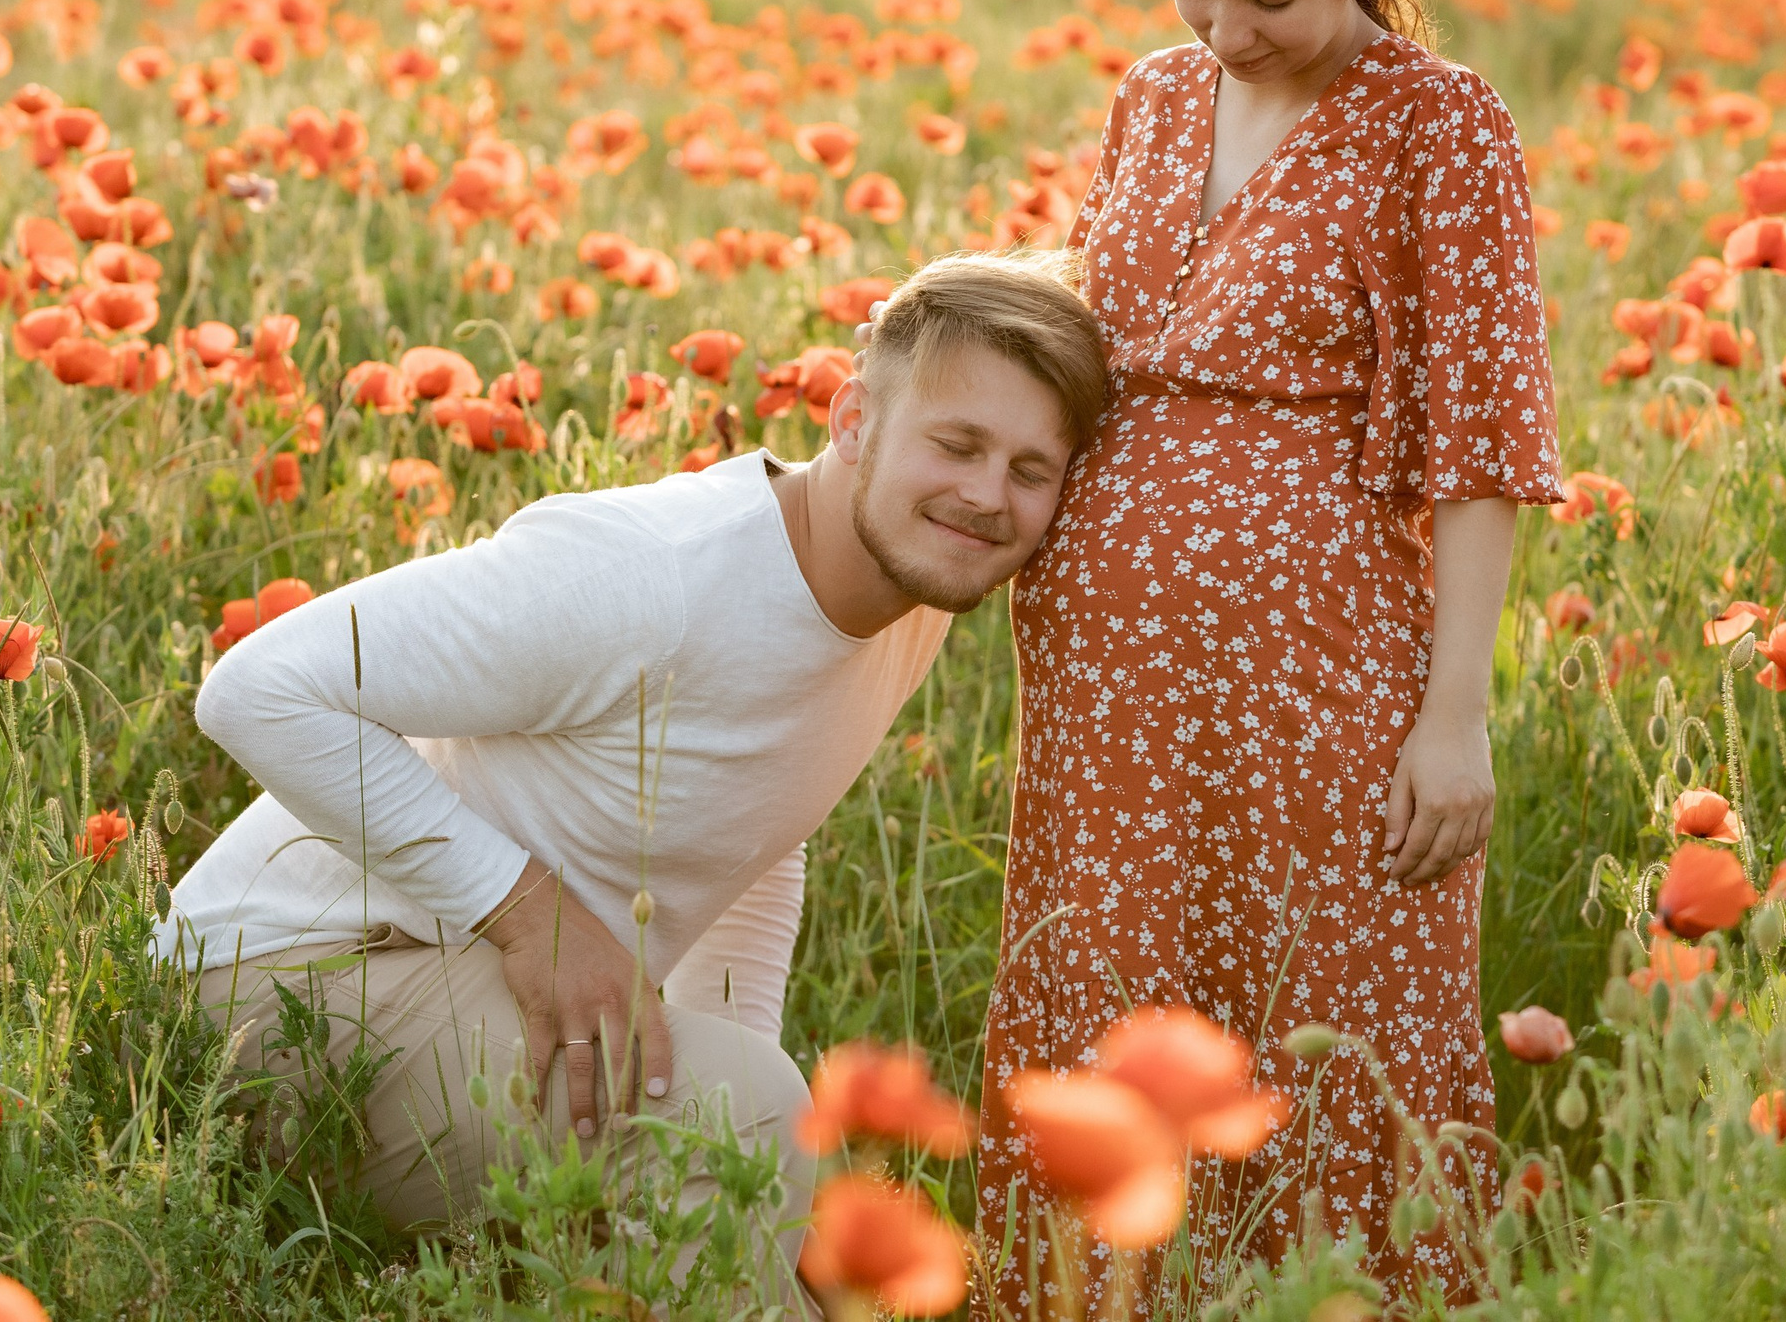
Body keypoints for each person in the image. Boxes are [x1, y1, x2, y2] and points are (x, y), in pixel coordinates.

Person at [158, 250, 1108, 1299]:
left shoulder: (912, 594)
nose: (985, 497)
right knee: (738, 1118)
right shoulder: (649, 574)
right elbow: (257, 690)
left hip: (447, 988)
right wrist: (528, 912)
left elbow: (761, 830)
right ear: (853, 421)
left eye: (1030, 471)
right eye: (957, 444)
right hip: (265, 1003)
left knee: (790, 1208)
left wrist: (746, 1120)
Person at [976, 0, 1565, 1310]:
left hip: (1328, 663)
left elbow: (1484, 441)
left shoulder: (1439, 123)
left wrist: (1455, 718)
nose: (1228, 30)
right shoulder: (1154, 97)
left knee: (1330, 990)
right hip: (1109, 670)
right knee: (1112, 977)